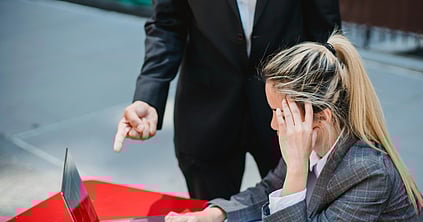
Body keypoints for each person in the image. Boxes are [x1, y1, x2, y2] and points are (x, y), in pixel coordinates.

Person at [161, 32, 423, 222]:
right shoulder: (315, 141)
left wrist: (295, 169)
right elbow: (268, 189)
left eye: (281, 113)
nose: (273, 124)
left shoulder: (368, 173)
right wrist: (214, 213)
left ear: (321, 117)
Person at [113, 0, 341, 201]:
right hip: (207, 109)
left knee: (291, 217)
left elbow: (324, 34)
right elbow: (166, 24)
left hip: (286, 113)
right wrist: (149, 95)